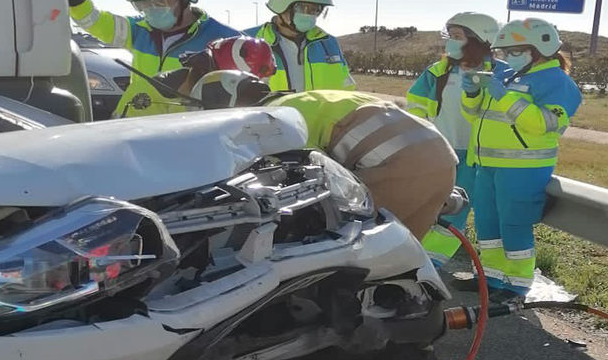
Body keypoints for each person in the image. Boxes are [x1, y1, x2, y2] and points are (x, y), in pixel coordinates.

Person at [189, 71, 456, 238]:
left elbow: (306, 176)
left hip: (400, 163)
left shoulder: (273, 119)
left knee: (349, 247)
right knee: (402, 251)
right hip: (442, 157)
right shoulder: (303, 100)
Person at [461, 18, 582, 302]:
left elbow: (543, 124)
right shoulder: (511, 77)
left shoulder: (558, 83)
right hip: (488, 164)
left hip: (523, 168)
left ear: (538, 49)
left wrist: (504, 98)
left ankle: (516, 286)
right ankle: (490, 279)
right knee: (488, 225)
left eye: (514, 51)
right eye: (504, 52)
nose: (507, 57)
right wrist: (472, 92)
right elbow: (474, 115)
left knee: (514, 225)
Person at [66, 0, 237, 118]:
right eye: (143, 4)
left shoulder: (224, 39)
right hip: (134, 127)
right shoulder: (138, 30)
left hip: (186, 132)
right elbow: (94, 21)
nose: (151, 9)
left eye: (160, 1)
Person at [406, 12, 504, 266]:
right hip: (440, 151)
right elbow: (415, 105)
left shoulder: (500, 74)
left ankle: (431, 261)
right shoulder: (438, 72)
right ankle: (415, 254)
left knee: (457, 210)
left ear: (479, 40)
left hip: (477, 156)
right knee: (430, 204)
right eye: (449, 35)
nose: (450, 41)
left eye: (457, 36)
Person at [245, 0, 354, 93]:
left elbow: (346, 89)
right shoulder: (249, 41)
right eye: (305, 8)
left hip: (320, 111)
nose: (312, 15)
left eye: (317, 10)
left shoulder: (328, 43)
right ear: (282, 6)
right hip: (272, 111)